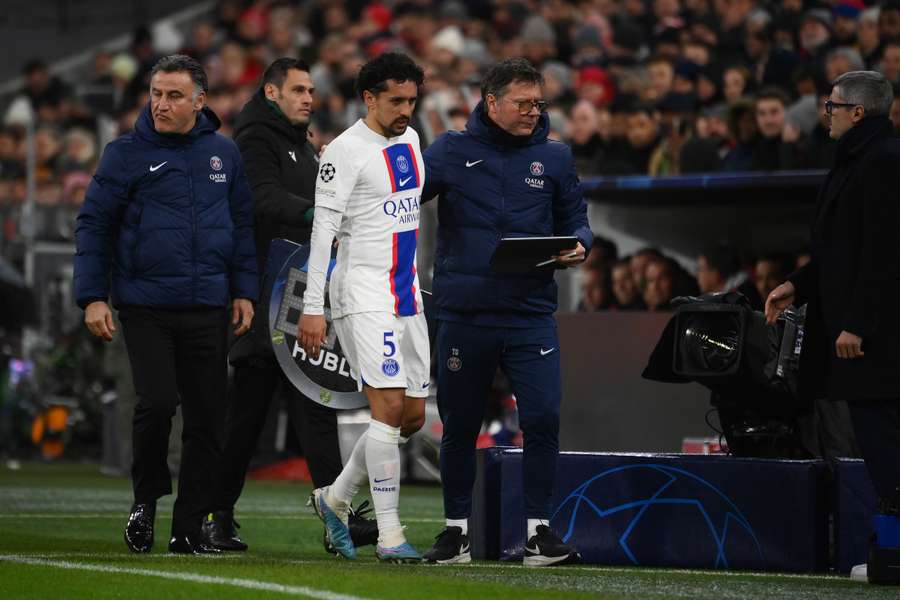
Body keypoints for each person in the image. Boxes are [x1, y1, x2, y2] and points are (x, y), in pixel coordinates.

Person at [73, 54, 258, 554]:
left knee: (207, 418)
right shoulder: (124, 154)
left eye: (174, 95)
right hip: (145, 304)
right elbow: (94, 225)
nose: (162, 104)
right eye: (156, 93)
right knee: (157, 404)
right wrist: (92, 296)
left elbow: (242, 228)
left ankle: (188, 526)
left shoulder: (224, 155)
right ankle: (146, 499)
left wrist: (245, 290)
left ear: (200, 101)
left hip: (209, 304)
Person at [421, 58, 591, 567]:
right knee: (459, 425)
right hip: (465, 313)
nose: (532, 112)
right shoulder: (450, 150)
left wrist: (580, 246)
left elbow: (577, 220)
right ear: (490, 101)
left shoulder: (555, 157)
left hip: (529, 312)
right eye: (523, 103)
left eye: (538, 103)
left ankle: (539, 533)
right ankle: (456, 533)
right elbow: (403, 199)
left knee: (542, 417)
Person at [203, 58, 376, 553]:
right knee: (247, 418)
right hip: (262, 296)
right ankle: (218, 516)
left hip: (298, 296)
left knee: (315, 405)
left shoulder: (299, 143)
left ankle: (335, 517)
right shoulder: (256, 139)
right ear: (271, 92)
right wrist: (318, 212)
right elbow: (261, 199)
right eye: (298, 90)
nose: (308, 98)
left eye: (311, 90)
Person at [766, 71, 900, 585]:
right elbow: (838, 251)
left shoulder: (884, 163)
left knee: (886, 447)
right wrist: (796, 286)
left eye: (833, 105)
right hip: (865, 336)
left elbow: (886, 255)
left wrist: (858, 325)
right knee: (880, 448)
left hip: (879, 342)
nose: (827, 112)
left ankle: (894, 556)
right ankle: (889, 553)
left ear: (858, 112)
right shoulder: (857, 162)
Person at [298, 52, 428, 563]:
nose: (406, 110)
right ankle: (391, 535)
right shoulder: (343, 151)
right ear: (368, 98)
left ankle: (333, 499)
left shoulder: (412, 141)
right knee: (388, 408)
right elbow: (323, 230)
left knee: (412, 417)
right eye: (396, 100)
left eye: (412, 100)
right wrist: (314, 305)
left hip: (406, 292)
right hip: (361, 292)